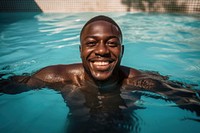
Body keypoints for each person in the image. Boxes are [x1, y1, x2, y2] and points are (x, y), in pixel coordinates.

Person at [0, 15, 200, 133]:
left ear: (122, 50)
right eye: (92, 43)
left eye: (112, 43)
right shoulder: (58, 77)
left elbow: (188, 98)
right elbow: (11, 85)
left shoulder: (140, 81)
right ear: (80, 51)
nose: (102, 50)